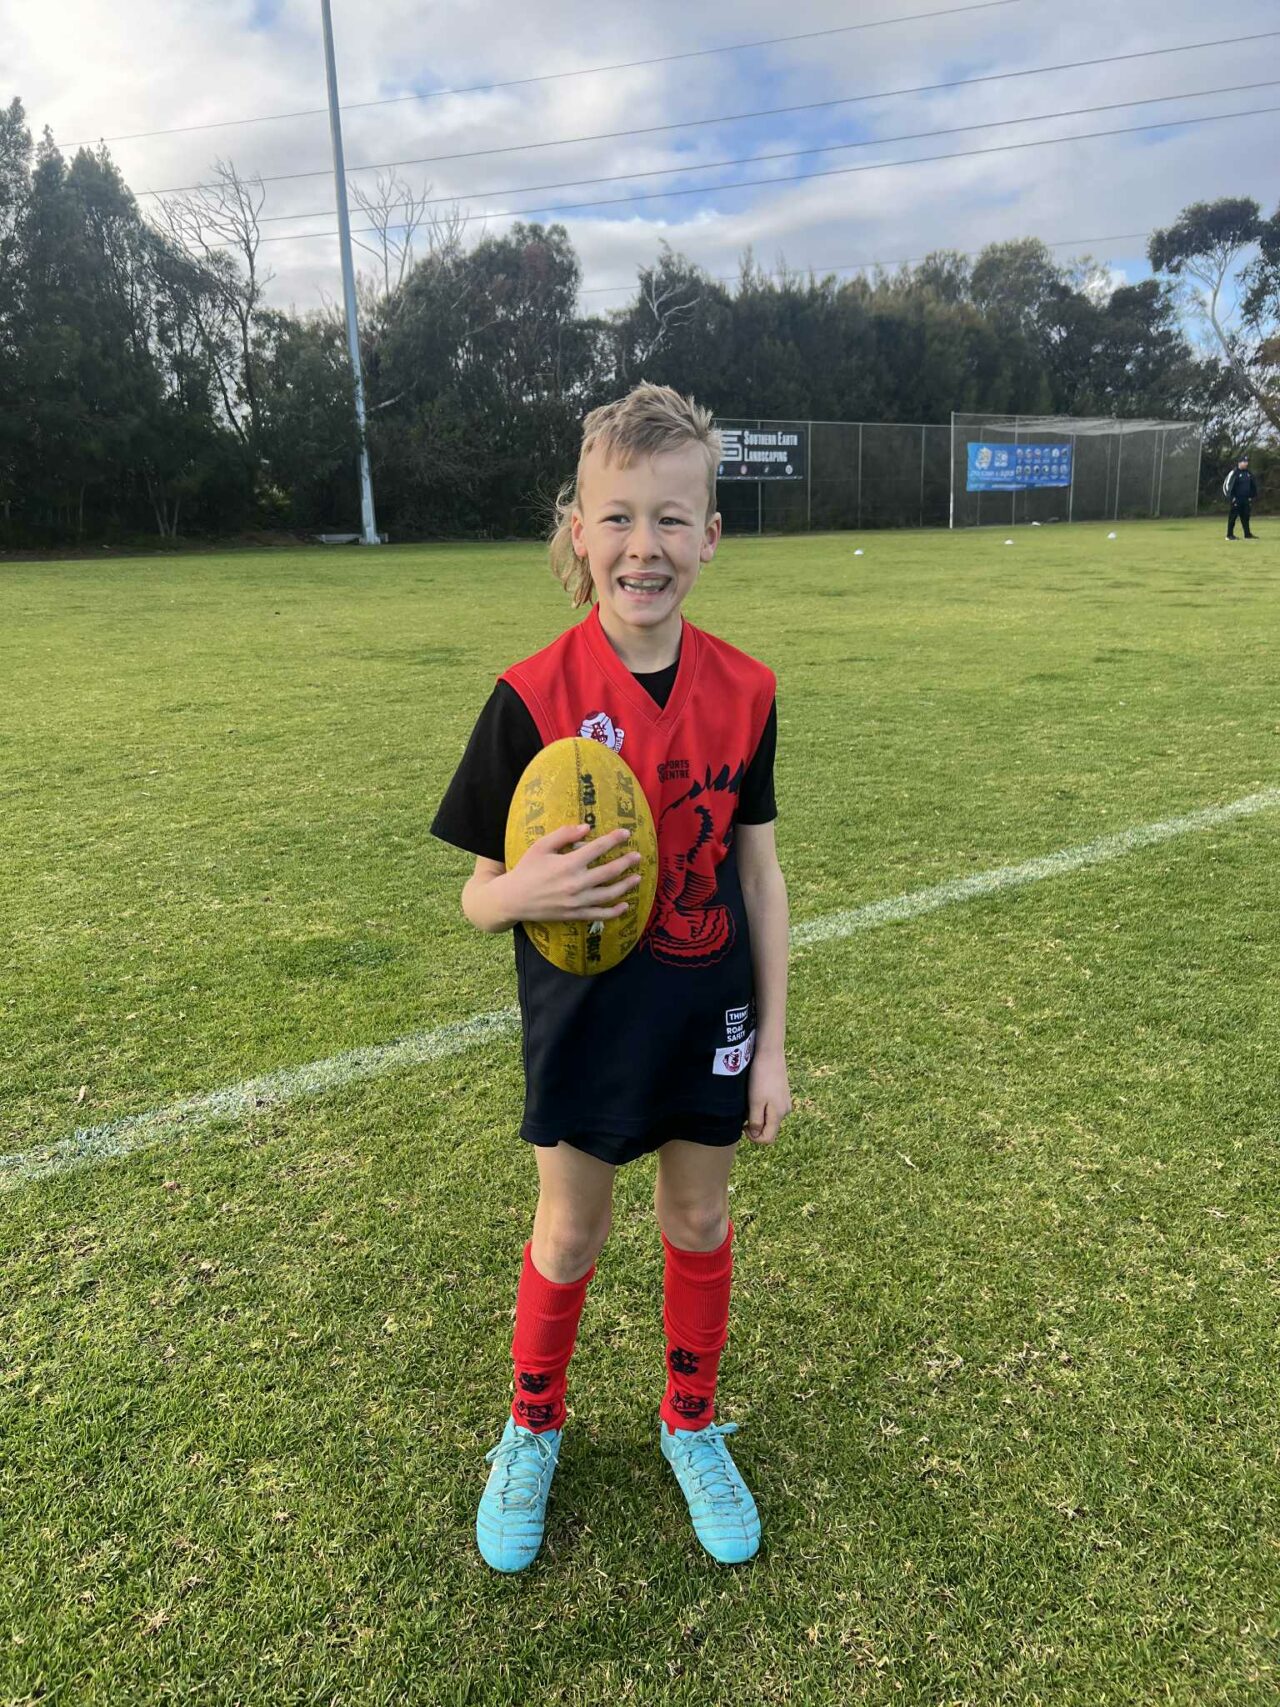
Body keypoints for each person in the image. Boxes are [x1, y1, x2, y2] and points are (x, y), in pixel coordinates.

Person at [431, 382, 791, 1573]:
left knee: (698, 1217)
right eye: (620, 519)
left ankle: (689, 1420)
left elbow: (758, 876)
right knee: (571, 1229)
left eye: (672, 519)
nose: (646, 546)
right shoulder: (529, 696)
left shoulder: (747, 691)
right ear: (579, 532)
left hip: (707, 1010)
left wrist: (772, 1044)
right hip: (583, 1019)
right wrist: (517, 893)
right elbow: (479, 893)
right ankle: (532, 1424)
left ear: (710, 535)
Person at [1225, 454, 1257, 539]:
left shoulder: (1248, 473)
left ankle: (1247, 534)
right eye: (1244, 461)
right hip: (1236, 499)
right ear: (1239, 463)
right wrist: (1231, 498)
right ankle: (1229, 535)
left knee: (1246, 517)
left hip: (1245, 499)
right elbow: (1226, 485)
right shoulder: (1234, 472)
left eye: (1247, 462)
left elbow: (1253, 485)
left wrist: (1251, 496)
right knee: (1233, 517)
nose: (1246, 463)